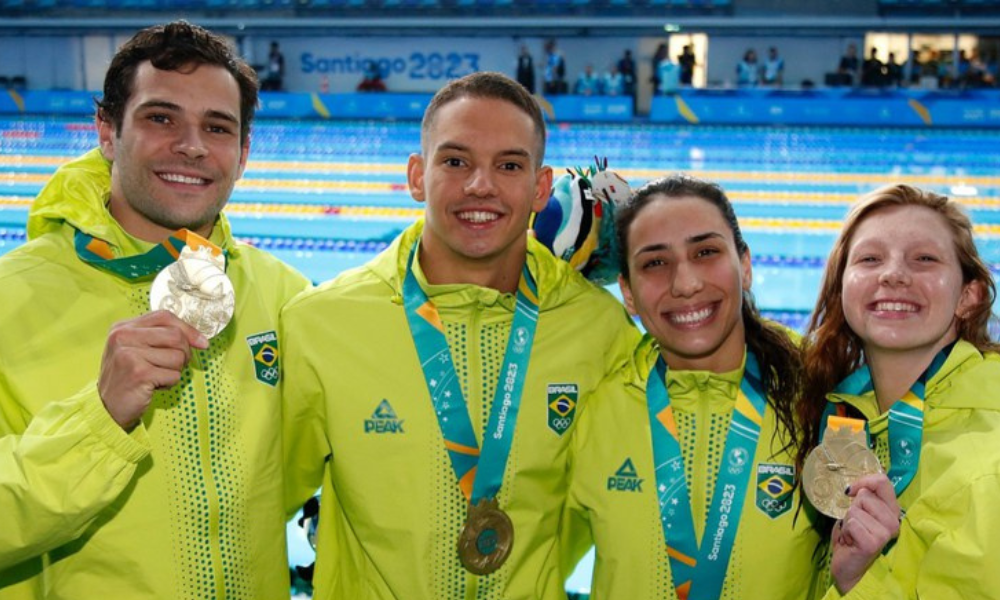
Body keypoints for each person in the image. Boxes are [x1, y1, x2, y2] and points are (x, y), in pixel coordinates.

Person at [280, 71, 638, 599]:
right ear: (417, 176)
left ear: (541, 188)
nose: (481, 185)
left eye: (509, 165)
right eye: (456, 161)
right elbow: (259, 505)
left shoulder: (600, 330)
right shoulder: (320, 323)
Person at [0, 21, 310, 599]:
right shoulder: (9, 299)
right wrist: (98, 420)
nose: (191, 146)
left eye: (217, 127)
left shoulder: (286, 297)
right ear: (108, 133)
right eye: (161, 118)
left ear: (242, 155)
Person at [562, 174, 822, 599]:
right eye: (655, 263)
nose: (686, 284)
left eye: (705, 252)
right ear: (627, 292)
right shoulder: (595, 408)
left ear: (747, 265)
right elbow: (534, 563)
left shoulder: (820, 394)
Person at [797, 184, 1000, 598]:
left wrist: (859, 581)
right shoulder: (842, 413)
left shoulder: (989, 458)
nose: (892, 274)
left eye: (924, 259)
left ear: (968, 296)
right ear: (843, 290)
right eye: (870, 259)